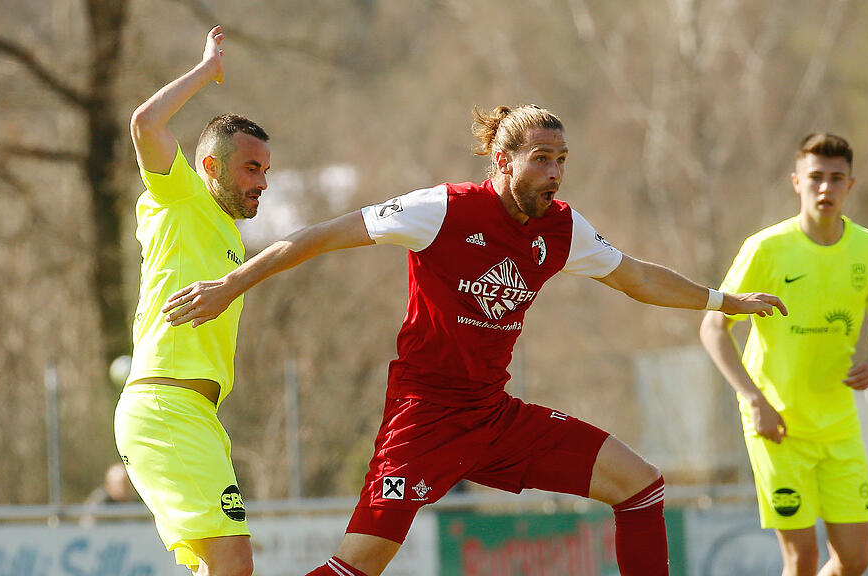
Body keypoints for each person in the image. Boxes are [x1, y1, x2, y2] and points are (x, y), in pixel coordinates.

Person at [163, 104, 786, 576]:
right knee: (358, 566)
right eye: (541, 158)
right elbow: (321, 235)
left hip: (493, 414)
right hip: (424, 416)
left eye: (562, 159)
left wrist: (726, 301)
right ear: (502, 160)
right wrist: (230, 284)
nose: (555, 173)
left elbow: (640, 278)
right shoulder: (442, 210)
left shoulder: (563, 229)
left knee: (642, 485)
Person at [700, 133, 868, 576]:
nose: (825, 188)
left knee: (854, 561)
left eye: (836, 178)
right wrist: (754, 400)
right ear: (796, 182)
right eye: (815, 178)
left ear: (851, 184)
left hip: (839, 427)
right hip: (778, 426)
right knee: (802, 558)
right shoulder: (765, 249)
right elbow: (714, 327)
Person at [114, 26, 269, 576]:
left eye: (266, 171)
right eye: (251, 168)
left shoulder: (230, 235)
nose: (262, 182)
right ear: (210, 167)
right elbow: (145, 124)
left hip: (197, 416)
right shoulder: (179, 197)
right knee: (233, 563)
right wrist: (207, 71)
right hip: (165, 408)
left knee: (216, 568)